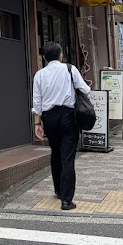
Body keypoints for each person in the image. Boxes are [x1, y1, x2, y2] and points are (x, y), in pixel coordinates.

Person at [31, 41, 91, 211]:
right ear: (60, 55)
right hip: (67, 116)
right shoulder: (70, 69)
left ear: (45, 58)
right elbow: (85, 90)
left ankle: (58, 190)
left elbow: (37, 102)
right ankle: (66, 200)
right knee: (67, 157)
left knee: (55, 153)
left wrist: (37, 123)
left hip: (49, 118)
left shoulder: (39, 75)